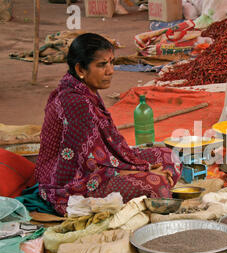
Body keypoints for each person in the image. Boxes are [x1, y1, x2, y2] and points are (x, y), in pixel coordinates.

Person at [35, 33, 181, 216]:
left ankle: (146, 196)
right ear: (81, 68)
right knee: (157, 185)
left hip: (99, 167)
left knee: (169, 157)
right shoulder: (74, 102)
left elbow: (108, 147)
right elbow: (88, 166)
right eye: (102, 65)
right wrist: (139, 172)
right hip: (72, 183)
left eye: (111, 62)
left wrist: (141, 167)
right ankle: (149, 196)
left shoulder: (85, 90)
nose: (110, 70)